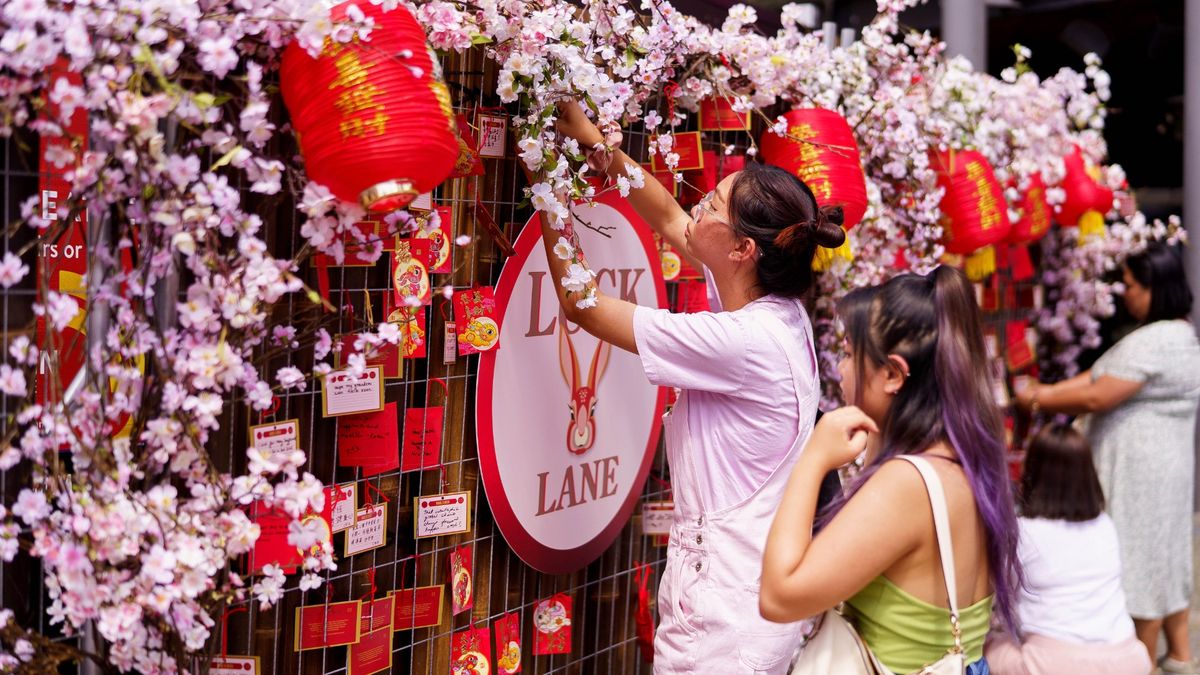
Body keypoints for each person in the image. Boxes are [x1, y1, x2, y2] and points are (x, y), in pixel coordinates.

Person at [544, 101, 845, 673]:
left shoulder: (744, 341)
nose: (697, 205)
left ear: (742, 250)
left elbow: (583, 306)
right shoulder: (776, 306)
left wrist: (547, 188)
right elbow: (670, 221)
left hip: (727, 620)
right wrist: (600, 150)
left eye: (712, 204)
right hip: (742, 596)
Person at [761, 267, 1021, 675]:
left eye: (849, 354)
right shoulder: (961, 461)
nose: (841, 370)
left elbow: (779, 596)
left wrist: (812, 458)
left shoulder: (907, 483)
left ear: (893, 374)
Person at [1015, 242, 1200, 673]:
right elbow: (1099, 377)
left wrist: (1036, 397)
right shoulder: (1181, 333)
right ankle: (1180, 655)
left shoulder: (1157, 339)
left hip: (1142, 478)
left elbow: (1097, 393)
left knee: (1141, 569)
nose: (1125, 293)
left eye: (1132, 285)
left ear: (1156, 288)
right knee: (1166, 559)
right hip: (1163, 473)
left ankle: (1147, 662)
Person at [984, 423, 1151, 674]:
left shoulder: (1022, 532)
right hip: (1127, 658)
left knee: (986, 644)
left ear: (1033, 470)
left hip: (1052, 664)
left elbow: (1000, 596)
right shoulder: (1104, 524)